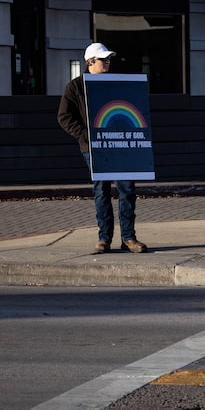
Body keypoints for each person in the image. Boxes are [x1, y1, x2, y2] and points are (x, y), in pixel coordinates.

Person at [57, 42, 148, 254]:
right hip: (93, 147)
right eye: (103, 60)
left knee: (127, 190)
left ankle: (128, 238)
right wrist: (86, 136)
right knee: (101, 190)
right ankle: (104, 238)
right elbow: (64, 116)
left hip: (120, 145)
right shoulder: (75, 87)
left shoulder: (116, 83)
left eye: (108, 59)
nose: (107, 63)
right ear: (90, 62)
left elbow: (130, 109)